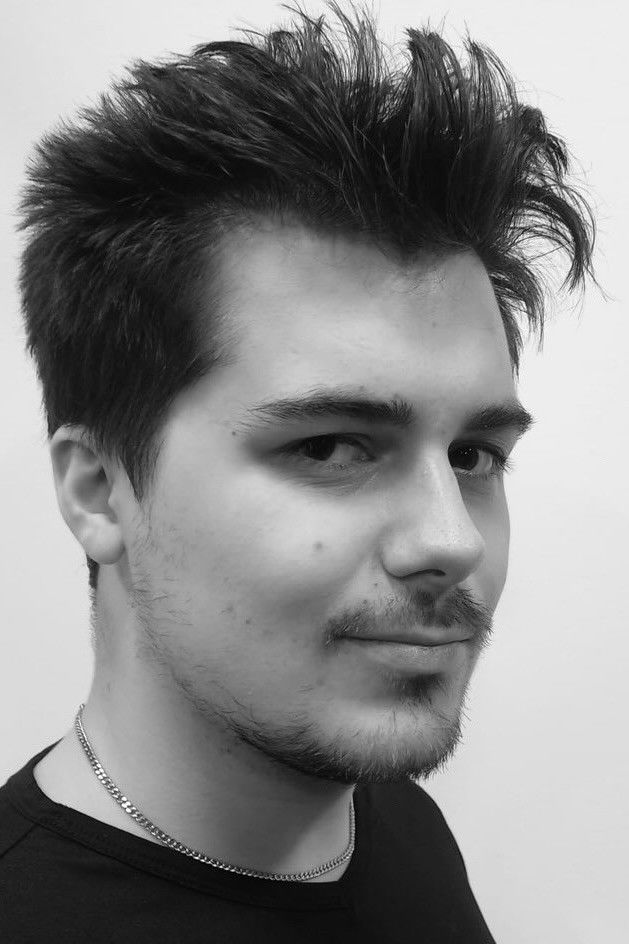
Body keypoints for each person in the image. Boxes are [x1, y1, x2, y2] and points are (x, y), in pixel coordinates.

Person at [0, 2, 595, 941]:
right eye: (329, 447)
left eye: (473, 456)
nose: (452, 540)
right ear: (98, 489)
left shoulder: (398, 826)